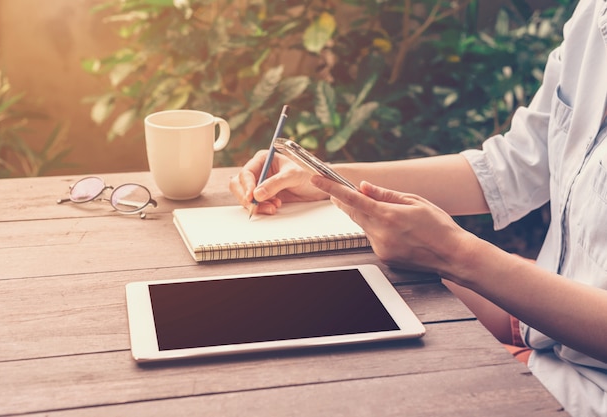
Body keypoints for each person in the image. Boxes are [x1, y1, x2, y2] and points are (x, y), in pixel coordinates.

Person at [229, 1, 607, 415]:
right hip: (549, 313)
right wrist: (326, 178)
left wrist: (458, 254)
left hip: (589, 380)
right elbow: (515, 165)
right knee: (350, 288)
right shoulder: (593, 15)